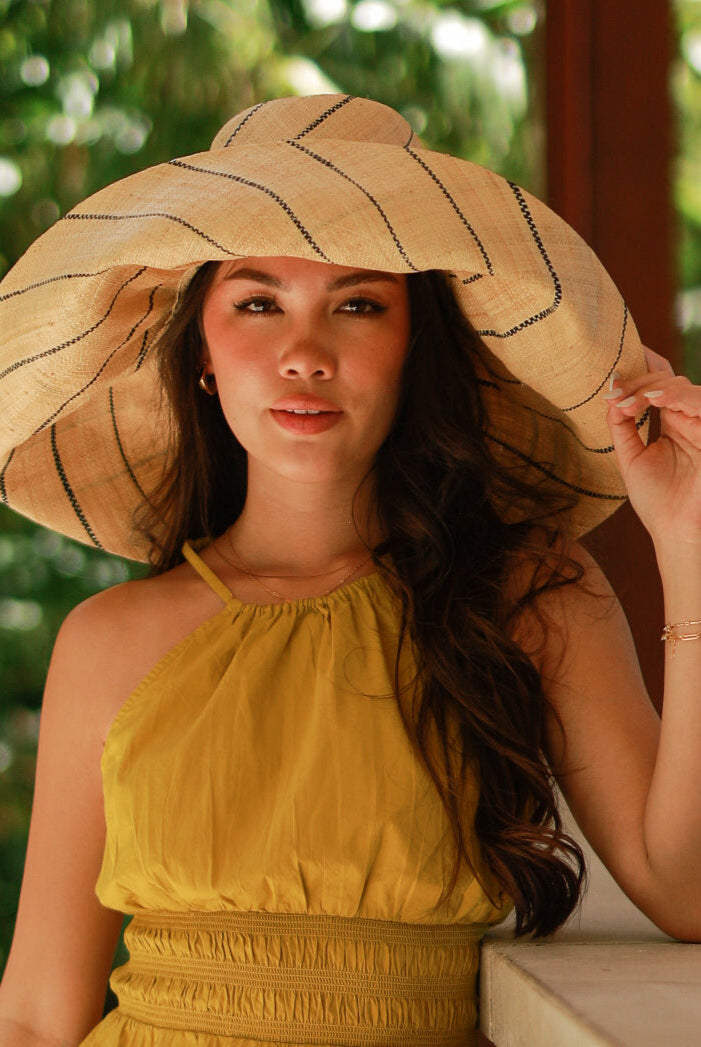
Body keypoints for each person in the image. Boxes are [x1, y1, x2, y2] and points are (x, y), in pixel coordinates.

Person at [0, 93, 699, 1047]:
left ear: (414, 346)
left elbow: (684, 889)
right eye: (257, 303)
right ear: (203, 350)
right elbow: (37, 1015)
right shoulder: (109, 640)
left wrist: (688, 546)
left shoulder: (526, 593)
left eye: (358, 304)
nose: (303, 353)